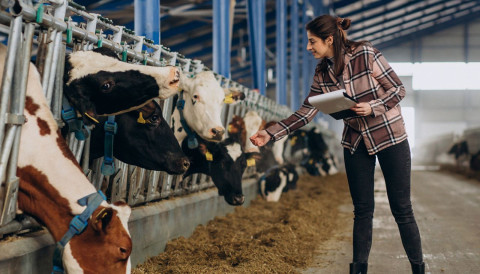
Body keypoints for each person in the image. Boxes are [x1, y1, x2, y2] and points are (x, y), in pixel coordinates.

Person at [249, 15, 424, 274]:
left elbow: (398, 89)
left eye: (312, 42)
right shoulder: (321, 72)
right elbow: (307, 111)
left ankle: (419, 268)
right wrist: (270, 133)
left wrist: (372, 106)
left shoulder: (366, 54)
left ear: (329, 39)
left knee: (402, 209)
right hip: (355, 142)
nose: (309, 47)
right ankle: (358, 270)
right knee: (362, 210)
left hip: (389, 135)